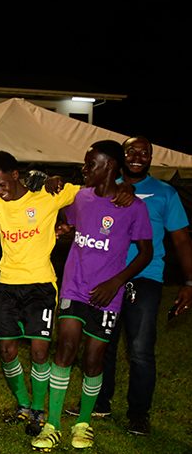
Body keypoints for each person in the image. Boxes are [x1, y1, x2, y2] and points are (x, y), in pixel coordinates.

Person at [31, 140, 152, 451]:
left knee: (93, 358)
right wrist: (62, 223)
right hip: (74, 286)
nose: (84, 170)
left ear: (109, 167)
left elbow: (145, 253)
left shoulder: (133, 206)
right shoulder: (81, 197)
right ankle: (53, 423)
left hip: (107, 294)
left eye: (90, 165)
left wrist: (117, 282)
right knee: (65, 349)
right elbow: (66, 219)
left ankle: (83, 423)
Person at [0, 150, 83, 437]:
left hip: (41, 286)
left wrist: (58, 179)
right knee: (6, 349)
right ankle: (23, 404)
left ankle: (38, 409)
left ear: (15, 175)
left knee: (39, 351)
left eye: (3, 185)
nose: (0, 192)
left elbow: (88, 192)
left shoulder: (47, 196)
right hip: (8, 285)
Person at [68, 135, 192, 436]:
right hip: (102, 276)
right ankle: (99, 401)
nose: (138, 156)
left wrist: (189, 281)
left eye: (144, 152)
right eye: (131, 151)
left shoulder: (165, 193)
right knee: (101, 341)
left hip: (145, 276)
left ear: (151, 158)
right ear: (119, 158)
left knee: (139, 348)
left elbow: (181, 239)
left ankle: (138, 413)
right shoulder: (105, 184)